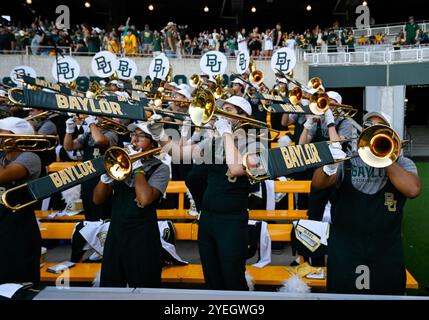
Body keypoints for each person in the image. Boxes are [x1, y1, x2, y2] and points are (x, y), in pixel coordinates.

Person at [147, 96, 257, 291]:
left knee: (233, 277)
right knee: (211, 278)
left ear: (242, 118)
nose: (219, 114)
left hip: (232, 220)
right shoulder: (213, 143)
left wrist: (226, 133)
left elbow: (237, 168)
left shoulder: (253, 144)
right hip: (208, 219)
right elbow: (179, 154)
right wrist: (158, 132)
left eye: (228, 109)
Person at [312, 111, 421, 295]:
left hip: (386, 252)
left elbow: (413, 190)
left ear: (389, 133)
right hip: (346, 250)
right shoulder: (347, 160)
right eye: (369, 125)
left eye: (379, 127)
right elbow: (318, 183)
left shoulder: (403, 163)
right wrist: (329, 166)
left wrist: (383, 156)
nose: (373, 129)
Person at [94, 122, 170, 287]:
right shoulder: (120, 163)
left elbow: (144, 199)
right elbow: (97, 200)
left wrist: (136, 166)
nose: (134, 139)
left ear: (153, 142)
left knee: (145, 287)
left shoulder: (161, 168)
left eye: (141, 136)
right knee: (110, 288)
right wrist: (105, 179)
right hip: (116, 234)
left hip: (142, 238)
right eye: (133, 135)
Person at [0, 117, 42, 284]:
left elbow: (2, 176)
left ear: (15, 136)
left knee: (17, 283)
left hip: (18, 230)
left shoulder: (30, 158)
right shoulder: (2, 156)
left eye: (2, 133)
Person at [63, 115, 118, 221]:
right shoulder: (88, 134)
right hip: (87, 178)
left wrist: (92, 124)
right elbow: (68, 147)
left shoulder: (112, 133)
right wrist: (69, 130)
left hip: (103, 178)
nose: (96, 118)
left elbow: (99, 140)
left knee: (103, 212)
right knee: (89, 211)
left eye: (98, 116)